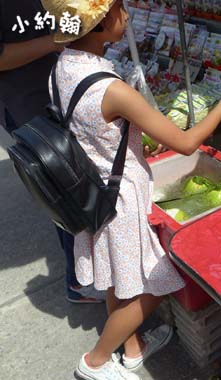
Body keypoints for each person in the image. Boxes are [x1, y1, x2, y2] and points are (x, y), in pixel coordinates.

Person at [41, 1, 221, 379]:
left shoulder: (62, 68)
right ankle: (96, 361)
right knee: (158, 281)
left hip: (93, 192)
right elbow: (186, 143)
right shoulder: (112, 89)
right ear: (102, 22)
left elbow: (93, 129)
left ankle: (133, 348)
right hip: (120, 200)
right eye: (120, 11)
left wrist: (132, 138)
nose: (127, 17)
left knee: (118, 278)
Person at [0, 0, 108, 303]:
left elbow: (70, 23)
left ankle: (91, 269)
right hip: (28, 105)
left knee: (81, 180)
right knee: (65, 188)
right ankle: (80, 282)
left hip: (65, 90)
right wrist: (54, 41)